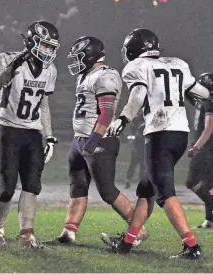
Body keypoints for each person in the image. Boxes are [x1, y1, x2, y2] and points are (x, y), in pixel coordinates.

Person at [101, 28, 210, 259]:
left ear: (133, 49)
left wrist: (123, 118)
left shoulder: (136, 67)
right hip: (180, 134)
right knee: (146, 189)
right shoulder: (178, 63)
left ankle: (191, 246)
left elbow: (138, 94)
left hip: (159, 133)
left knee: (164, 194)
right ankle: (127, 244)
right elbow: (200, 93)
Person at [54, 36, 148, 246]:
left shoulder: (106, 75)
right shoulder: (86, 75)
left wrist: (93, 141)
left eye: (79, 56)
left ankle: (138, 229)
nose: (76, 61)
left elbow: (106, 113)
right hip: (80, 140)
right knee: (78, 186)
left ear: (90, 55)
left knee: (107, 191)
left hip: (99, 141)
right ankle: (68, 233)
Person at [0, 20, 59, 248]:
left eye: (52, 47)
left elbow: (44, 104)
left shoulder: (50, 70)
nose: (48, 51)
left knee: (32, 185)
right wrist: (12, 67)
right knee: (7, 187)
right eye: (45, 45)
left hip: (33, 132)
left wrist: (49, 136)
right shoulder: (7, 58)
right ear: (32, 42)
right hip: (8, 128)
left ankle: (26, 234)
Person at [185, 72, 213, 228]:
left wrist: (196, 147)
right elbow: (192, 98)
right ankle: (211, 220)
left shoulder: (211, 104)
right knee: (208, 184)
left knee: (191, 182)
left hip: (206, 147)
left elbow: (208, 128)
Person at [123, 112, 145, 189]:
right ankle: (128, 180)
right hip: (138, 146)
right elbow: (132, 127)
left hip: (142, 146)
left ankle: (138, 182)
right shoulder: (138, 120)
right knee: (134, 165)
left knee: (140, 166)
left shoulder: (143, 120)